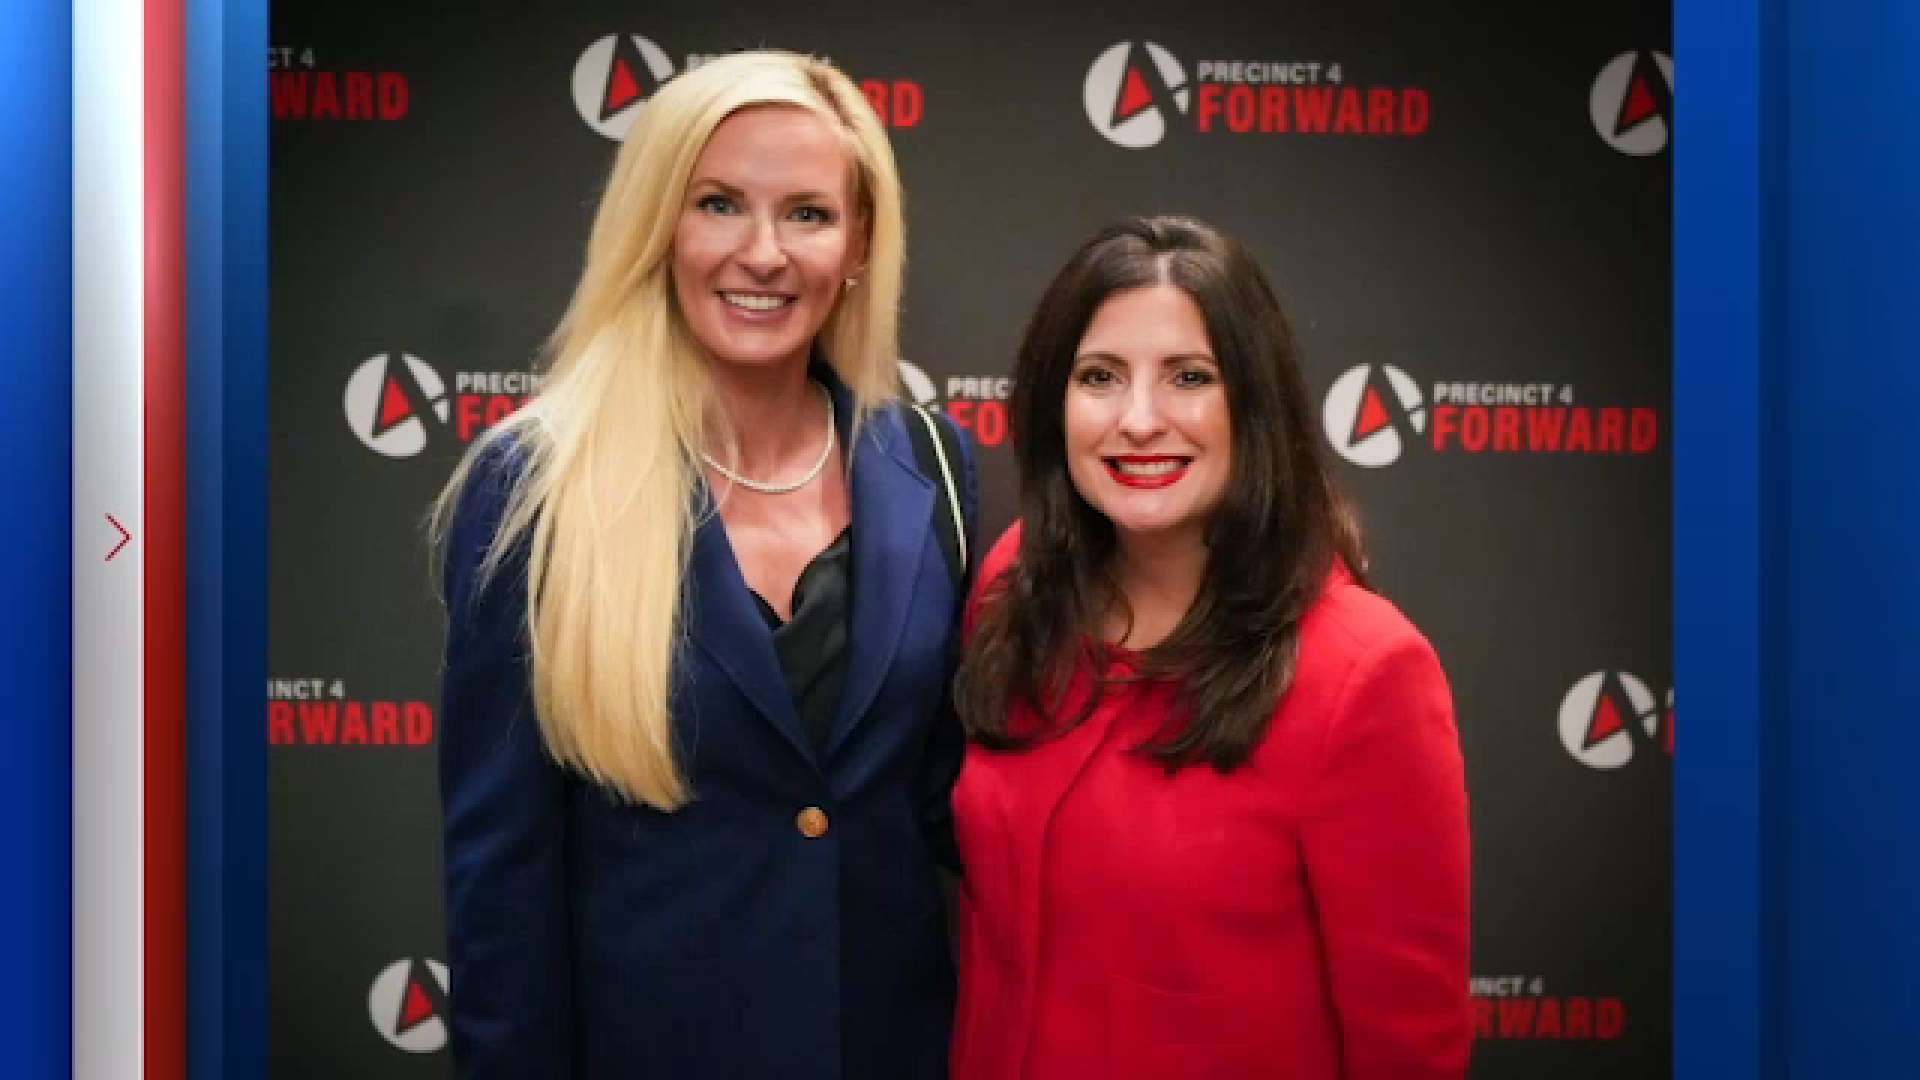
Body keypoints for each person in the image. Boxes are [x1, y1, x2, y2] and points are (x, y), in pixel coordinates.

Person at [432, 50, 974, 1080]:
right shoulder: (535, 487)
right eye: (720, 204)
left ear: (859, 243)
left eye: (808, 214)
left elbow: (955, 802)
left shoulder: (931, 465)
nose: (763, 253)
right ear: (658, 226)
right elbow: (503, 886)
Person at [948, 215, 1471, 1080]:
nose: (1139, 420)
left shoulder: (1365, 674)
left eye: (1189, 377)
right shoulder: (1017, 584)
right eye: (1099, 377)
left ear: (1255, 406)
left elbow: (1410, 1049)